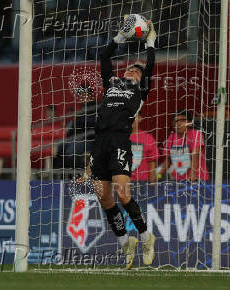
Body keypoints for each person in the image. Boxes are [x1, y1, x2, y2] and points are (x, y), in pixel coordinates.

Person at [84, 18, 157, 269]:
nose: (132, 72)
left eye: (137, 71)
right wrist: (119, 38)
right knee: (103, 196)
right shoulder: (112, 84)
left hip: (119, 140)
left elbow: (150, 65)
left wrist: (150, 42)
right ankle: (126, 243)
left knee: (122, 193)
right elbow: (105, 58)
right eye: (130, 70)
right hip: (100, 141)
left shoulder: (141, 89)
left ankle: (146, 237)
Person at [54, 84, 97, 170]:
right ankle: (60, 174)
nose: (78, 98)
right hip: (77, 139)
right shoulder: (82, 110)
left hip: (90, 139)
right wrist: (70, 138)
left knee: (71, 151)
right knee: (60, 146)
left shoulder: (96, 108)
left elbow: (91, 127)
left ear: (87, 95)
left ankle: (80, 173)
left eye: (80, 95)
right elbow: (73, 129)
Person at [160, 110, 209, 181]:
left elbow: (195, 156)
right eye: (176, 121)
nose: (179, 123)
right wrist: (158, 176)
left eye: (182, 120)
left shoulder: (196, 134)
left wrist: (192, 177)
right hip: (178, 180)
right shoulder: (171, 137)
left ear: (190, 123)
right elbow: (167, 161)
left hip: (197, 179)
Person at [130, 114, 159, 183]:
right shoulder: (116, 138)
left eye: (133, 116)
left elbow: (152, 163)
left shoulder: (148, 138)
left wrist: (152, 184)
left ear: (140, 118)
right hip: (121, 183)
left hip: (142, 183)